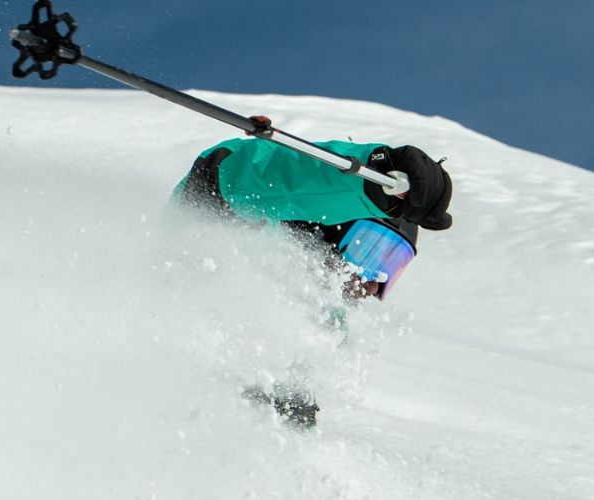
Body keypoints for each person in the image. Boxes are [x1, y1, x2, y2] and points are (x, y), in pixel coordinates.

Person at [171, 136, 454, 428]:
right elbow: (238, 175)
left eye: (391, 265)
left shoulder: (319, 342)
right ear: (322, 232)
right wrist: (367, 183)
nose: (371, 283)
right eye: (366, 251)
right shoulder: (235, 235)